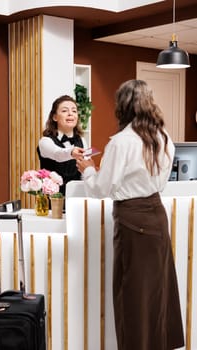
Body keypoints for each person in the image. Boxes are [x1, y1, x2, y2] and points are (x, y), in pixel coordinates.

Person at [76, 80, 184, 350]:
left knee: (132, 297)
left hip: (132, 220)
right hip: (157, 215)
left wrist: (88, 169)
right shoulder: (164, 137)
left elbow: (101, 188)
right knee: (158, 294)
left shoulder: (122, 142)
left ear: (122, 106)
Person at [37, 95, 87, 196]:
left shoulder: (82, 140)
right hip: (53, 199)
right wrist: (72, 152)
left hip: (77, 197)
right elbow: (57, 154)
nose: (70, 114)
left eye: (74, 111)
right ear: (55, 117)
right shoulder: (45, 141)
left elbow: (84, 172)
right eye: (64, 111)